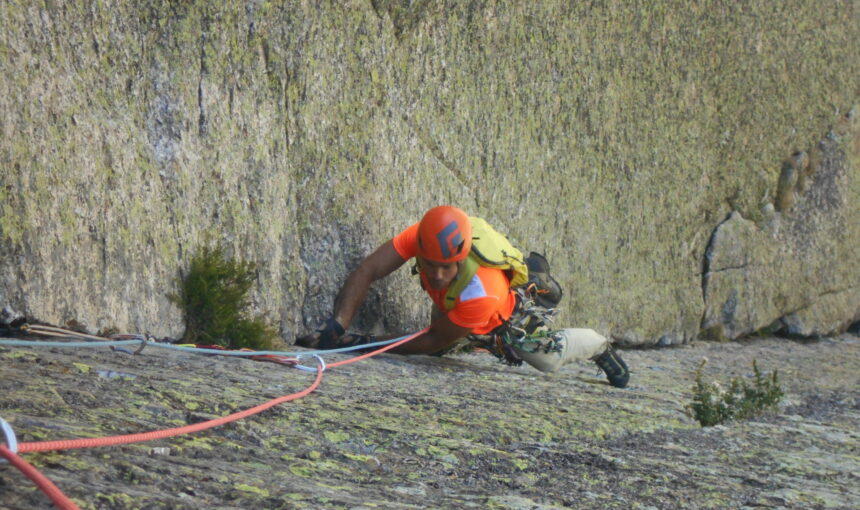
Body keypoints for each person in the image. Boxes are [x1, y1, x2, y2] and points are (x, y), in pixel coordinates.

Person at [296, 205, 630, 387]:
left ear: (462, 255)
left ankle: (597, 344)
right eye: (430, 265)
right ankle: (535, 274)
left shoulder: (483, 291)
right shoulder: (426, 236)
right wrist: (337, 326)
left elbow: (431, 340)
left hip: (499, 320)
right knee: (442, 322)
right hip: (454, 307)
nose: (437, 275)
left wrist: (356, 343)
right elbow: (368, 270)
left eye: (446, 267)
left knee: (548, 359)